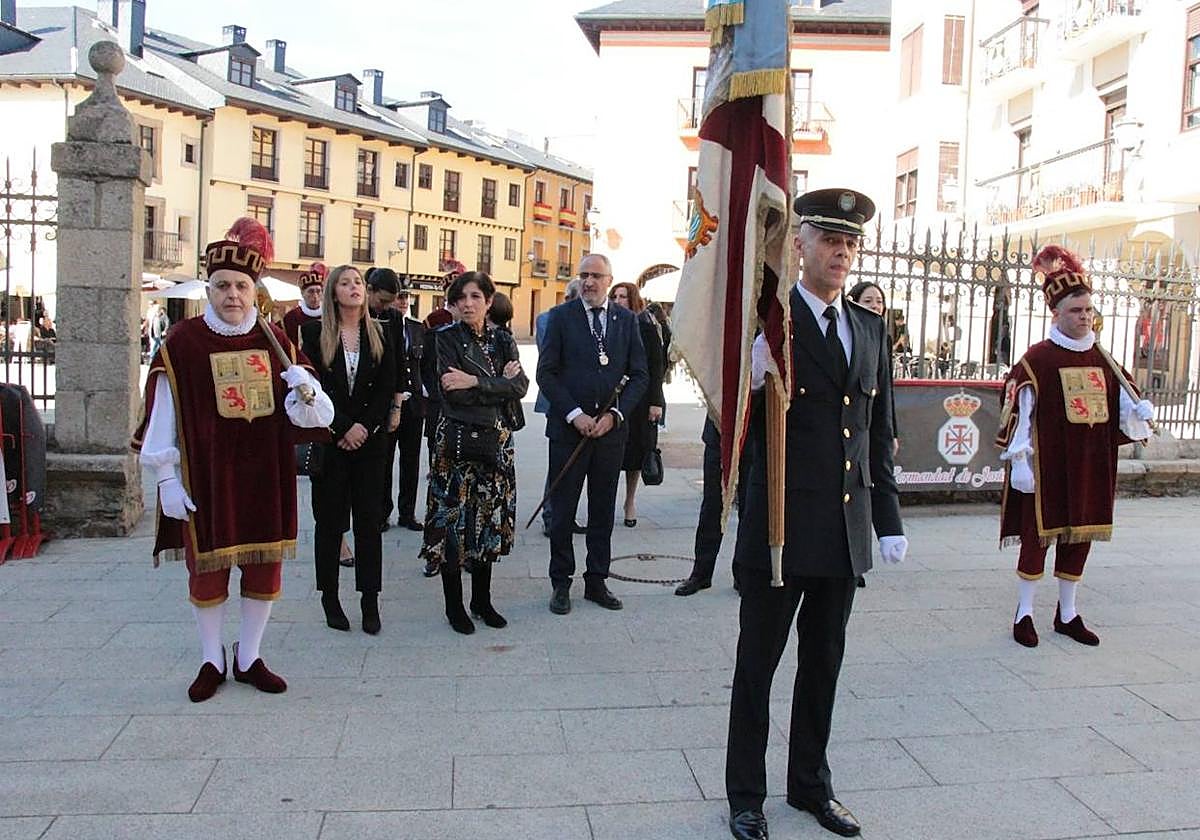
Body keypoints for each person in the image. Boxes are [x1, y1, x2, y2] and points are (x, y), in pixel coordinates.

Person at [726, 189, 907, 840]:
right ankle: (746, 795)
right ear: (798, 245)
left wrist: (887, 521)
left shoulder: (868, 327)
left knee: (823, 664)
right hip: (778, 527)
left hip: (843, 532)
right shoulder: (767, 324)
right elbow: (733, 430)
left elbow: (874, 431)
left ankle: (810, 785)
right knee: (757, 669)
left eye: (851, 242)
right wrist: (746, 384)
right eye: (829, 239)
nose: (841, 251)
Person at [132, 217, 334, 703]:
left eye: (242, 286)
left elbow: (307, 415)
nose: (233, 295)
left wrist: (305, 391)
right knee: (207, 571)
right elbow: (162, 417)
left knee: (264, 568)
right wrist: (165, 480)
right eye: (223, 286)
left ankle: (249, 656)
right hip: (206, 477)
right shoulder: (182, 342)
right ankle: (210, 657)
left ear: (254, 290)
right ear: (209, 288)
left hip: (265, 475)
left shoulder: (275, 342)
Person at [997, 244, 1154, 649]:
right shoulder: (1038, 360)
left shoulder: (1105, 360)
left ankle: (1067, 613)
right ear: (1056, 314)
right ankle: (1024, 612)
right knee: (1038, 538)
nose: (1084, 317)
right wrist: (1020, 463)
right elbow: (1021, 411)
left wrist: (1138, 410)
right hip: (1050, 465)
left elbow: (1123, 411)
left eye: (1088, 311)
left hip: (1091, 463)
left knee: (1080, 536)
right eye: (1075, 311)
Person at [536, 254, 649, 615]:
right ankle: (561, 583)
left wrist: (615, 415)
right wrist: (574, 415)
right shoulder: (560, 318)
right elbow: (547, 373)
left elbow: (640, 374)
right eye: (583, 275)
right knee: (564, 510)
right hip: (570, 432)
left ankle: (597, 580)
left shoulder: (627, 321)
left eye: (596, 276)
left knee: (603, 509)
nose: (588, 282)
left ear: (609, 280)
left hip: (610, 434)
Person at [421, 272, 528, 634]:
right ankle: (455, 608)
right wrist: (497, 385)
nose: (468, 303)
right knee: (454, 524)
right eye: (460, 297)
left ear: (487, 300)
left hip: (496, 444)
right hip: (457, 444)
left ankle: (482, 600)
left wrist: (476, 381)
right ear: (451, 304)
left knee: (488, 523)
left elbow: (521, 385)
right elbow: (453, 392)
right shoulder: (444, 338)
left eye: (475, 296)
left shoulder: (503, 339)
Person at [301, 265, 396, 635]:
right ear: (333, 292)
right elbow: (311, 387)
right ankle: (330, 598)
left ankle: (369, 600)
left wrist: (364, 427)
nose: (354, 287)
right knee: (329, 524)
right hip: (332, 443)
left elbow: (386, 386)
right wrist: (341, 427)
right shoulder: (313, 333)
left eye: (358, 282)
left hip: (370, 444)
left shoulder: (383, 333)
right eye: (346, 282)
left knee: (369, 525)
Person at [608, 281, 666, 528]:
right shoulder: (607, 323)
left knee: (636, 453)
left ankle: (629, 502)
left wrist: (656, 401)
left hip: (641, 398)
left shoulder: (645, 324)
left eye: (623, 296)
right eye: (615, 296)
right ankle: (605, 502)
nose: (619, 300)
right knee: (609, 453)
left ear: (633, 299)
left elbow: (657, 365)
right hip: (613, 395)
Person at [675, 414, 747, 596]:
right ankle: (701, 573)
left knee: (749, 510)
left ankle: (743, 574)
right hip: (719, 431)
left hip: (751, 435)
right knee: (712, 506)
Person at [533, 279, 581, 538]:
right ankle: (552, 514)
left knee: (574, 464)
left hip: (577, 401)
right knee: (559, 462)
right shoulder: (547, 319)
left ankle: (566, 515)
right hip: (558, 399)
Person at [282, 263, 326, 346]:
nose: (315, 296)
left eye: (318, 291)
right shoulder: (291, 318)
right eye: (311, 291)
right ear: (302, 293)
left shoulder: (330, 316)